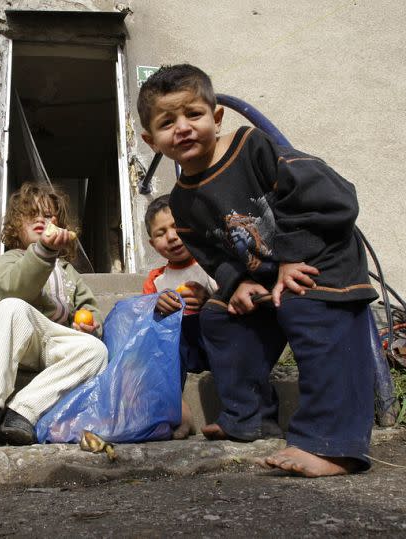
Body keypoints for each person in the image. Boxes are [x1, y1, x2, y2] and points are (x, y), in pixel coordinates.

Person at [137, 64, 378, 477]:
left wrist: (290, 256)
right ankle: (247, 418)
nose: (182, 127)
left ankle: (332, 445)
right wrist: (238, 282)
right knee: (220, 316)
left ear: (216, 117)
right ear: (150, 140)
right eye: (166, 122)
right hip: (268, 275)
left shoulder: (253, 147)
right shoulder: (181, 202)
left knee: (307, 308)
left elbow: (332, 199)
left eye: (193, 114)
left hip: (321, 261)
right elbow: (211, 254)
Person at [0, 182, 108, 447]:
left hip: (58, 343)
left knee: (97, 351)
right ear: (16, 226)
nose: (41, 219)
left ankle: (21, 411)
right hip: (23, 340)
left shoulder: (69, 272)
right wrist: (43, 253)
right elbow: (15, 289)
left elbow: (88, 308)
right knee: (9, 307)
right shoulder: (10, 259)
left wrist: (90, 325)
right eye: (32, 215)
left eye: (48, 215)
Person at [142, 194, 217, 439]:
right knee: (160, 343)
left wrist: (208, 299)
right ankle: (180, 416)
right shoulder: (156, 279)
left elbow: (229, 299)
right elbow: (143, 318)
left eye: (176, 227)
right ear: (152, 244)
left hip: (214, 342)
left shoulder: (209, 265)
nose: (171, 237)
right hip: (180, 350)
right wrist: (156, 306)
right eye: (161, 233)